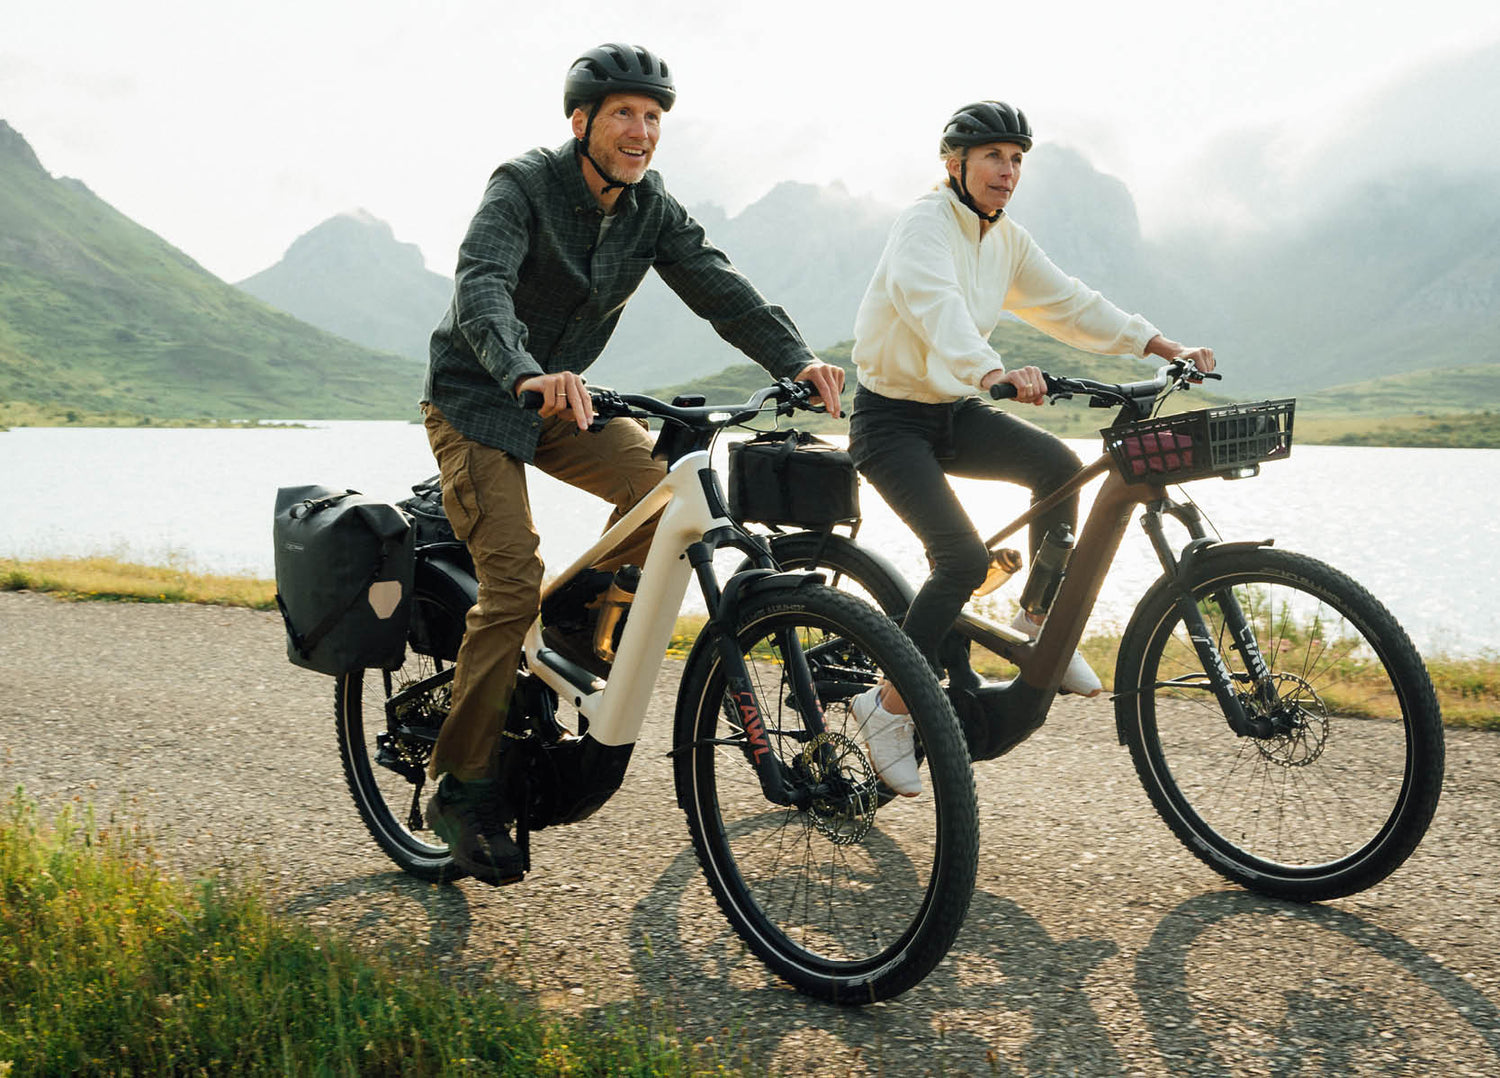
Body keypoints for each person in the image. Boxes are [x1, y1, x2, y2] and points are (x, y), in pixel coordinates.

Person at [420, 42, 845, 883]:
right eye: (623, 113)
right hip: (479, 399)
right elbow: (482, 286)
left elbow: (718, 285)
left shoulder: (650, 208)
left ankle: (577, 615)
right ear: (580, 122)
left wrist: (794, 359)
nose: (641, 131)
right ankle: (462, 786)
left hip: (566, 403)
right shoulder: (523, 185)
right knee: (510, 582)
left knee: (661, 500)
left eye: (653, 118)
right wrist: (523, 370)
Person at [846, 100, 1213, 796]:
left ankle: (1038, 622)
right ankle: (886, 707)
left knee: (1057, 468)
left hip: (953, 410)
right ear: (954, 164)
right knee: (959, 559)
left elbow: (1069, 302)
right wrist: (991, 370)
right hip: (890, 421)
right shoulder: (923, 225)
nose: (1008, 172)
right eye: (993, 157)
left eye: (1017, 160)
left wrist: (1161, 344)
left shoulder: (1004, 237)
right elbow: (934, 305)